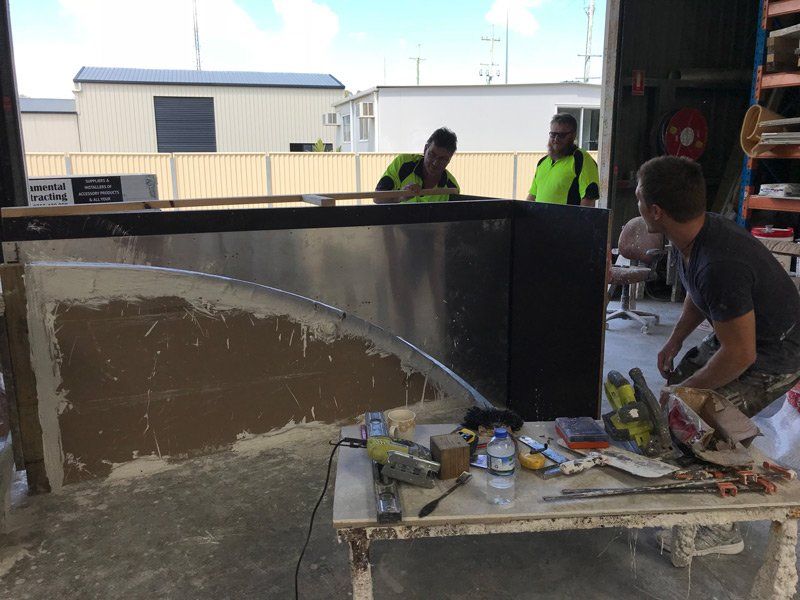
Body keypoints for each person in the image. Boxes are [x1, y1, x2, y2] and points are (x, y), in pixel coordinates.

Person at [636, 155, 800, 557]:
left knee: (705, 418)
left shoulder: (719, 262)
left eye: (640, 199)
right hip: (746, 337)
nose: (637, 205)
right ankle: (688, 488)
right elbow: (697, 291)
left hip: (775, 350)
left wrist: (686, 393)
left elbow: (741, 354)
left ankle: (722, 529)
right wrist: (674, 341)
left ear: (656, 211)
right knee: (681, 396)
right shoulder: (692, 234)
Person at [526, 113, 600, 207]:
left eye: (561, 135)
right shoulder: (542, 163)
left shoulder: (581, 160)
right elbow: (532, 196)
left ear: (573, 135)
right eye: (553, 134)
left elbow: (588, 200)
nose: (556, 139)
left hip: (567, 221)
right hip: (540, 221)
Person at [374, 127, 459, 203]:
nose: (435, 162)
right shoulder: (403, 164)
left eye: (442, 159)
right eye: (432, 155)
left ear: (449, 159)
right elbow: (377, 198)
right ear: (425, 149)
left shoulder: (452, 187)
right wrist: (400, 197)